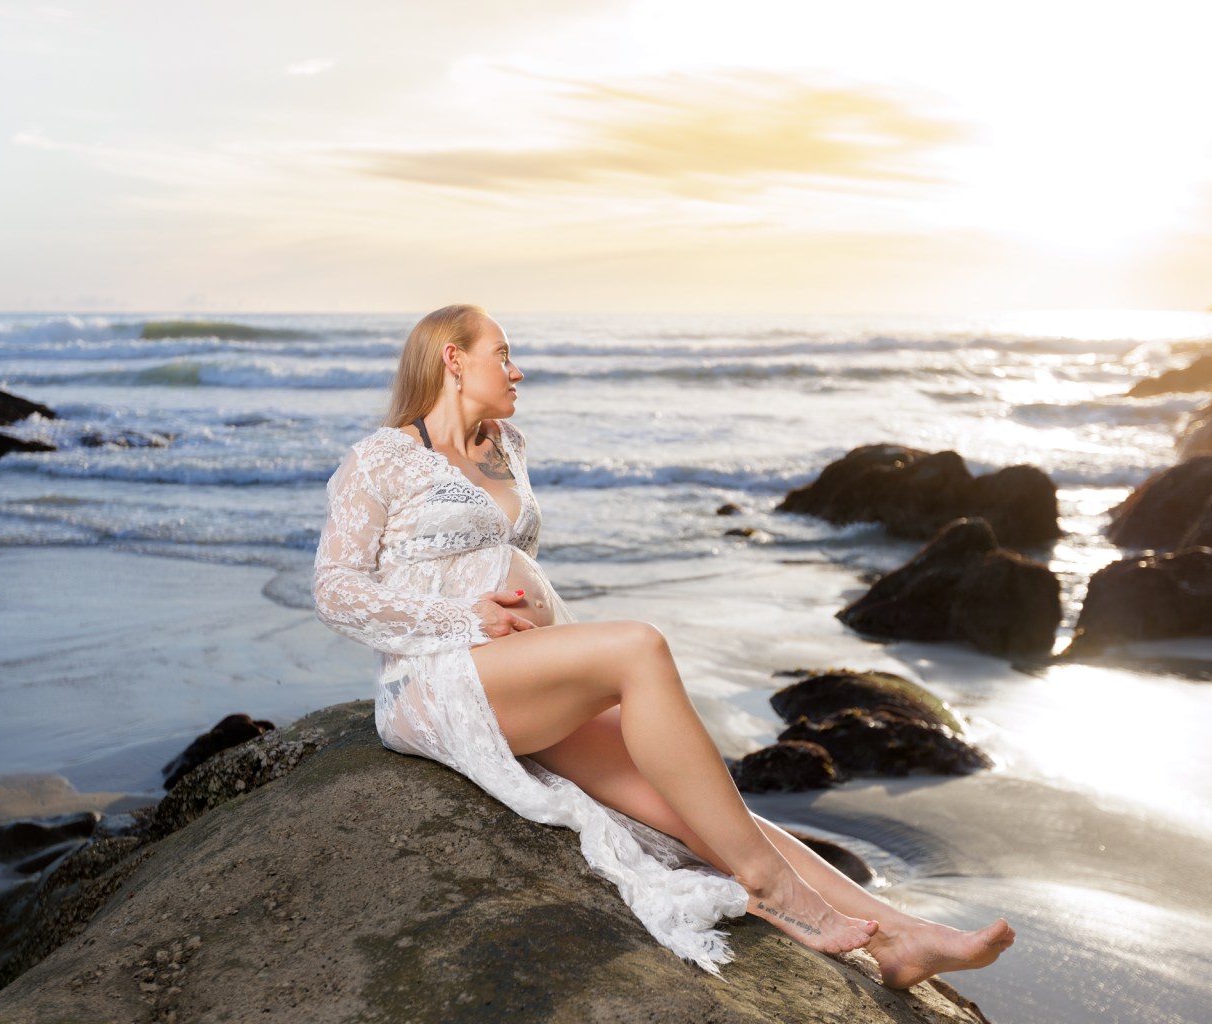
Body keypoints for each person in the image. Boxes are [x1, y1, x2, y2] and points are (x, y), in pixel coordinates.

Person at [313, 304, 1014, 982]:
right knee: (637, 648)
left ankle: (901, 937)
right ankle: (768, 886)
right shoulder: (381, 459)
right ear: (453, 359)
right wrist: (466, 619)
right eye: (504, 353)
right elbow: (334, 590)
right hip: (437, 679)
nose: (518, 370)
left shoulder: (507, 448)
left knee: (704, 807)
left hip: (518, 676)